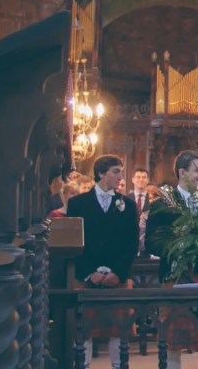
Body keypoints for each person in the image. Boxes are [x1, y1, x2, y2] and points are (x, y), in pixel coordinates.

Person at [145, 151, 198, 369]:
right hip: (177, 279)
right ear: (182, 173)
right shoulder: (162, 205)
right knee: (173, 344)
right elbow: (151, 243)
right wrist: (180, 246)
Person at [66, 155, 139, 369]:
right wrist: (89, 272)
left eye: (121, 172)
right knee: (84, 330)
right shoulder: (77, 204)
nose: (120, 176)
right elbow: (73, 241)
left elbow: (131, 244)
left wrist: (118, 272)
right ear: (101, 173)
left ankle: (119, 365)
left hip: (117, 278)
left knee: (118, 330)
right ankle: (83, 365)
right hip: (87, 276)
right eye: (116, 171)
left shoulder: (128, 205)